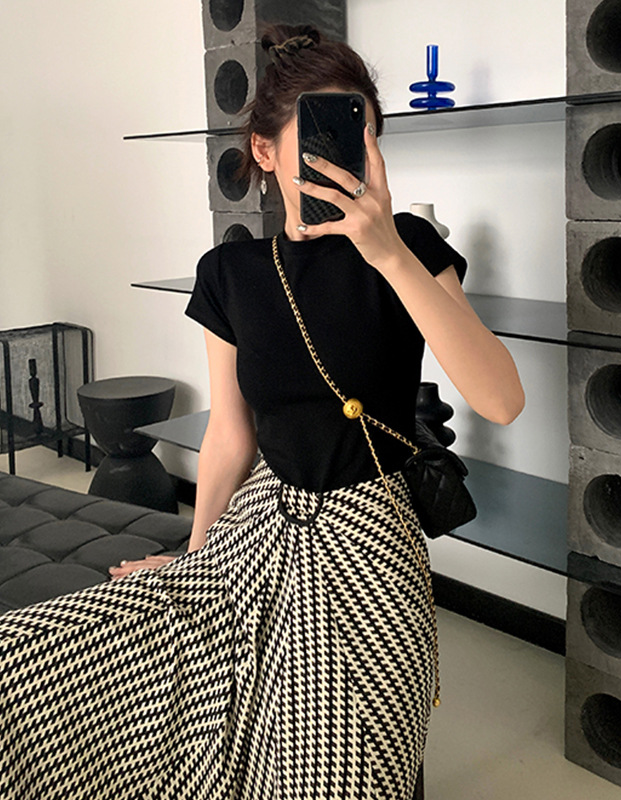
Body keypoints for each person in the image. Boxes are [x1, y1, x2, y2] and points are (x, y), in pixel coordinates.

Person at [0, 24, 524, 800]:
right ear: (265, 150)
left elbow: (501, 400)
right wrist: (197, 556)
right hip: (255, 535)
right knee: (28, 662)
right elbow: (230, 433)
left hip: (369, 547)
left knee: (342, 778)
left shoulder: (409, 246)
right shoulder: (231, 273)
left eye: (359, 136)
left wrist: (387, 251)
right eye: (316, 136)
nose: (339, 157)